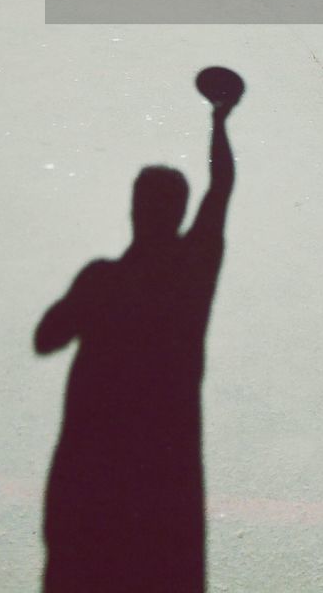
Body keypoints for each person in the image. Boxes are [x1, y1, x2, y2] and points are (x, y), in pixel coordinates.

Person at [35, 71, 243, 593]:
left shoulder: (101, 280)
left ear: (133, 211)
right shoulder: (195, 267)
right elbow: (221, 190)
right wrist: (219, 122)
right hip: (167, 462)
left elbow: (46, 337)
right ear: (176, 215)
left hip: (94, 466)